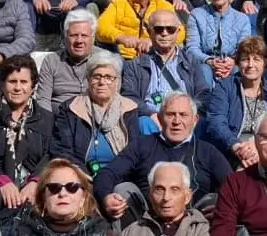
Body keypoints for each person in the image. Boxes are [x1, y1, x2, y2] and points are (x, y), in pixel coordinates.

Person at [94, 93, 232, 227]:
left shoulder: (208, 151)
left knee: (217, 201)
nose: (177, 121)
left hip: (194, 224)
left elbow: (234, 186)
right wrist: (106, 197)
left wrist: (224, 207)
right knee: (123, 189)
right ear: (159, 118)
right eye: (170, 114)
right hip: (145, 222)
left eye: (183, 115)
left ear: (195, 120)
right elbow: (107, 173)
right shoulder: (142, 145)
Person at [0, 55, 56, 225]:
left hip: (33, 182)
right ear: (2, 84)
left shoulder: (46, 119)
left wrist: (35, 181)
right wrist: (1, 181)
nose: (18, 88)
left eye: (23, 82)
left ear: (33, 86)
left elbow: (51, 154)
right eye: (12, 81)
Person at [203, 36, 267, 167]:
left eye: (256, 59)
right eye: (245, 59)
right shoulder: (224, 87)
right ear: (238, 63)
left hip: (266, 146)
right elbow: (216, 121)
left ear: (265, 63)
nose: (250, 65)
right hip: (233, 146)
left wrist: (256, 145)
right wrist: (236, 146)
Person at [51, 53, 142, 175]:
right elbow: (62, 151)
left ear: (117, 82)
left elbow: (134, 153)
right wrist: (83, 175)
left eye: (109, 77)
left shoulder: (129, 109)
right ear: (88, 79)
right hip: (80, 176)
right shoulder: (71, 108)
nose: (102, 82)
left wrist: (110, 177)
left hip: (120, 177)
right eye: (96, 76)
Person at [121, 9, 211, 132]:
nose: (164, 33)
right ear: (149, 31)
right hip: (153, 118)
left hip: (184, 116)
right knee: (143, 122)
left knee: (203, 123)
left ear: (178, 31)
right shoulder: (135, 65)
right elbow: (129, 96)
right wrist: (150, 114)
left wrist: (189, 113)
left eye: (170, 29)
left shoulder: (190, 61)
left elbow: (203, 93)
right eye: (159, 29)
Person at [185, 0, 254, 82]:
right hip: (205, 63)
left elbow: (243, 50)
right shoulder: (196, 15)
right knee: (204, 71)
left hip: (232, 64)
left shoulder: (242, 19)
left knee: (239, 70)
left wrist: (232, 61)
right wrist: (209, 61)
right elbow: (192, 49)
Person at [11, 159, 112, 236]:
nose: (62, 193)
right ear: (43, 198)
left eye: (72, 187)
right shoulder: (22, 229)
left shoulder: (100, 231)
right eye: (54, 188)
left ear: (83, 198)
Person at [97, 0, 177, 59]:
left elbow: (179, 31)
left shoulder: (164, 6)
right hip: (121, 57)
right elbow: (100, 27)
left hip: (154, 57)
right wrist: (120, 37)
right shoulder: (117, 4)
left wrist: (154, 41)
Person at [36, 10, 108, 112]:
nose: (79, 41)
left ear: (92, 37)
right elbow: (43, 99)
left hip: (94, 117)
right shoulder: (52, 61)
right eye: (74, 35)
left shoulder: (105, 59)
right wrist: (47, 122)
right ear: (65, 36)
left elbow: (111, 99)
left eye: (84, 35)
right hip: (59, 117)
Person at [119, 162, 212, 236]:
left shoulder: (201, 230)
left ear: (187, 196)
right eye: (159, 190)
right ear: (150, 195)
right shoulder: (133, 231)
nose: (166, 197)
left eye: (174, 189)